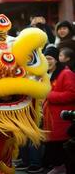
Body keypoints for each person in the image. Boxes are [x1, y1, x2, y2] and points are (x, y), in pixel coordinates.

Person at [43, 46, 75, 174]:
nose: (48, 61)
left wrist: (50, 95)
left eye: (50, 58)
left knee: (61, 148)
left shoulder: (66, 73)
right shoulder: (49, 74)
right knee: (53, 147)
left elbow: (72, 93)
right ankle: (58, 167)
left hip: (62, 119)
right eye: (45, 59)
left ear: (57, 60)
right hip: (51, 118)